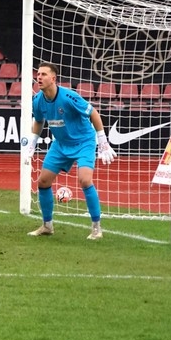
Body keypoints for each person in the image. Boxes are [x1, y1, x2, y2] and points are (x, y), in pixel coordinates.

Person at [23, 62, 116, 240]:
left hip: (84, 142)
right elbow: (39, 121)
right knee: (43, 182)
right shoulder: (37, 100)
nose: (39, 77)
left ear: (53, 78)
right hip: (60, 144)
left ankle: (96, 228)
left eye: (43, 74)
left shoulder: (69, 97)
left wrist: (103, 141)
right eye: (38, 74)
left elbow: (93, 113)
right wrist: (32, 144)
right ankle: (47, 226)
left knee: (85, 180)